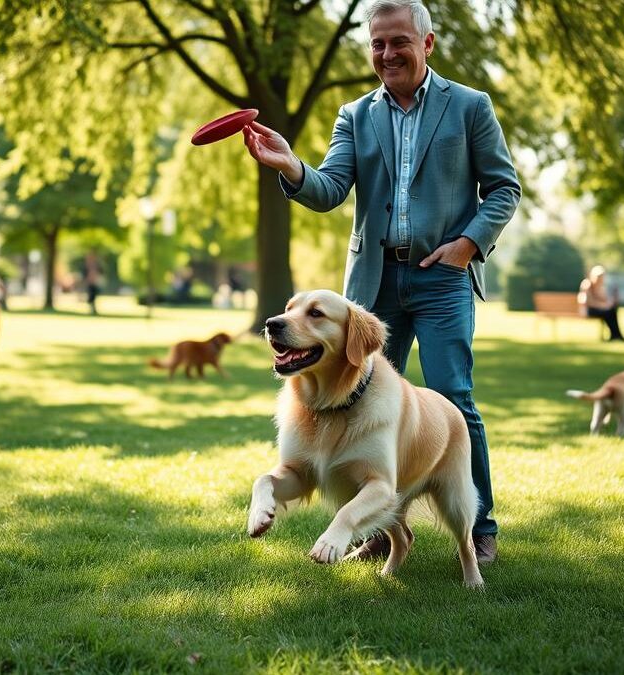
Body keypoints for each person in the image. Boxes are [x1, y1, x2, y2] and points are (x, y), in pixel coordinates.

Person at [241, 0, 520, 564]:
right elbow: (328, 189)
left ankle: (480, 526)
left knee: (452, 400)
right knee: (359, 401)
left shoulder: (469, 106)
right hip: (371, 283)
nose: (388, 54)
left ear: (428, 43)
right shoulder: (355, 115)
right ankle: (376, 521)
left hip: (442, 277)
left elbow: (504, 187)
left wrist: (466, 245)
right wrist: (290, 165)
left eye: (399, 42)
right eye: (377, 45)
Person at [578, 265, 624, 341]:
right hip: (589, 310)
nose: (600, 279)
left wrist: (610, 302)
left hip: (598, 309)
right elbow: (587, 302)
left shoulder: (600, 287)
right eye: (598, 277)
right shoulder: (587, 284)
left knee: (611, 311)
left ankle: (616, 335)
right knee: (609, 312)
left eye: (601, 277)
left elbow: (604, 300)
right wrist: (603, 306)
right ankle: (616, 335)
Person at [82, 251, 103, 315]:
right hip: (89, 283)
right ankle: (91, 308)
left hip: (95, 282)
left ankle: (93, 308)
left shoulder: (96, 265)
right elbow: (84, 274)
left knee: (94, 295)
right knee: (90, 296)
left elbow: (101, 272)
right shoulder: (87, 265)